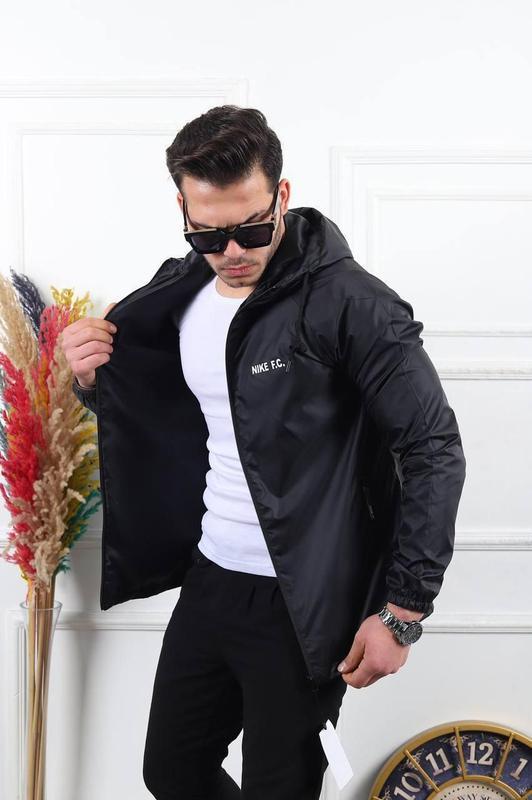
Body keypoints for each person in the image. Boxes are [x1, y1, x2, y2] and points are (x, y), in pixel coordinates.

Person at [62, 105, 467, 799]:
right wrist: (94, 381)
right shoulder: (181, 290)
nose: (232, 251)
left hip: (305, 600)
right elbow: (181, 421)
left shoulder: (352, 303)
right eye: (208, 234)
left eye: (251, 228)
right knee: (172, 770)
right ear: (184, 210)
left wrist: (405, 609)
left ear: (281, 195)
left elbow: (434, 448)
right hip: (213, 576)